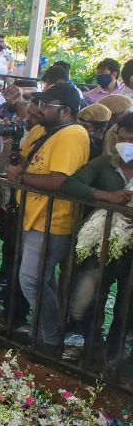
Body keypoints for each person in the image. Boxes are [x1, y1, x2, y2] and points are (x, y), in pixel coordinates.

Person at [5, 83, 89, 349]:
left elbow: (57, 181)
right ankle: (44, 331)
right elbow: (26, 159)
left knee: (31, 280)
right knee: (40, 279)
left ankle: (50, 338)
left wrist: (21, 177)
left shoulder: (73, 134)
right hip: (33, 216)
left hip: (52, 220)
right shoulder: (45, 130)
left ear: (65, 111)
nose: (39, 110)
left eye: (46, 105)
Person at [61, 112, 133, 364]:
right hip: (102, 246)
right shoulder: (104, 163)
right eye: (123, 137)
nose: (127, 143)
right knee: (82, 304)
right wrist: (105, 196)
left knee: (127, 309)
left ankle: (113, 358)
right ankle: (95, 345)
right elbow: (71, 184)